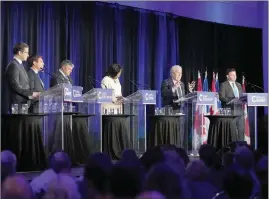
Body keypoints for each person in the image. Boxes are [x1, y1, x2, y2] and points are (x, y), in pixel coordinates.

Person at [160, 65, 195, 148]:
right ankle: (171, 149)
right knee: (172, 132)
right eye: (178, 73)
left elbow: (184, 97)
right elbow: (163, 93)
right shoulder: (166, 82)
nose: (180, 75)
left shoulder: (182, 84)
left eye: (181, 73)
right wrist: (174, 88)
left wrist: (190, 91)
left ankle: (180, 148)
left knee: (181, 132)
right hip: (171, 111)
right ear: (172, 74)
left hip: (181, 111)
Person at [4, 43, 40, 113]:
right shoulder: (13, 65)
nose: (28, 55)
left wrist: (33, 94)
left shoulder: (20, 65)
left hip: (23, 104)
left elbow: (25, 85)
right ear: (20, 52)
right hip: (17, 106)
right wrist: (31, 94)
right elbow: (15, 86)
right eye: (26, 52)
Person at [219, 68, 244, 141]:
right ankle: (232, 148)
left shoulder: (239, 85)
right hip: (230, 111)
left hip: (239, 111)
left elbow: (241, 97)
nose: (235, 77)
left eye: (235, 75)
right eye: (232, 75)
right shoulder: (223, 85)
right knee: (232, 132)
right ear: (227, 76)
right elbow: (221, 97)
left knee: (241, 130)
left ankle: (242, 147)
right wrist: (232, 100)